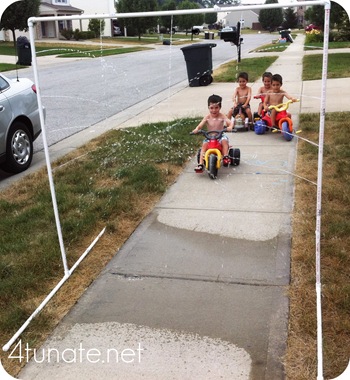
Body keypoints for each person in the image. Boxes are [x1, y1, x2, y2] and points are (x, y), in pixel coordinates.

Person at [192, 94, 234, 173]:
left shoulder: (222, 116)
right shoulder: (207, 117)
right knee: (204, 146)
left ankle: (225, 156)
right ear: (208, 108)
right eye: (211, 108)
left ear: (220, 107)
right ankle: (200, 164)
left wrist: (230, 127)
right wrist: (197, 129)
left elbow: (229, 122)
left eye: (216, 108)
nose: (214, 110)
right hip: (209, 137)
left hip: (220, 136)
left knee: (225, 141)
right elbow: (200, 125)